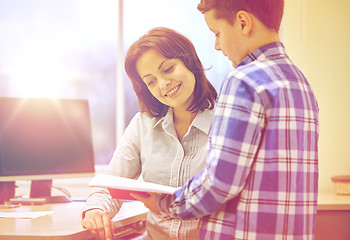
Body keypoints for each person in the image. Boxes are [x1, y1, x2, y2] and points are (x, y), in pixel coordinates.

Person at [133, 0, 320, 239]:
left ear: (243, 22)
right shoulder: (300, 84)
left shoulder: (243, 80)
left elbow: (219, 184)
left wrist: (165, 204)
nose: (217, 45)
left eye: (217, 33)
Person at [81, 27, 217, 240]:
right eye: (151, 81)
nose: (163, 84)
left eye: (168, 69)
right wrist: (96, 210)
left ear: (189, 61)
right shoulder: (143, 124)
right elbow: (110, 184)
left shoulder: (228, 121)